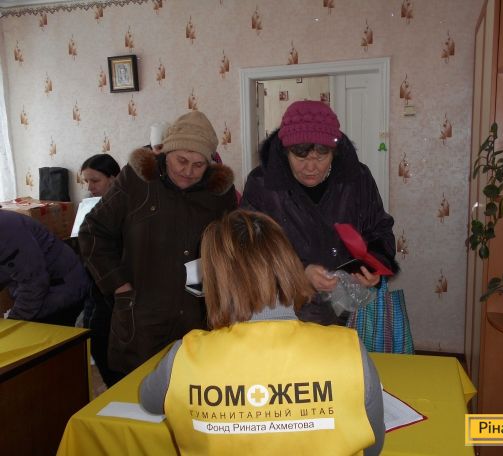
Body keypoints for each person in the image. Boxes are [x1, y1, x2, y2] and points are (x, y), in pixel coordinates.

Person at [140, 210, 384, 455]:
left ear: (214, 281)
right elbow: (372, 447)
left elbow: (149, 401)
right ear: (289, 265)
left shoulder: (186, 356)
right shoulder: (348, 351)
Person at [79, 110, 237, 377]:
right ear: (166, 152)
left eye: (198, 164)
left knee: (191, 386)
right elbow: (92, 231)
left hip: (197, 316)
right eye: (181, 161)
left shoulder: (219, 193)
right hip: (141, 315)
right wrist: (118, 285)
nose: (188, 171)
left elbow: (231, 247)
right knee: (136, 387)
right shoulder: (137, 180)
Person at [241, 100, 398, 325]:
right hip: (285, 308)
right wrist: (300, 272)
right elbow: (248, 247)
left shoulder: (358, 179)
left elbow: (380, 230)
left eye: (321, 157)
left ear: (334, 152)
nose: (311, 168)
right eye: (301, 157)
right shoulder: (261, 184)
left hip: (346, 308)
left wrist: (373, 267)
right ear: (286, 153)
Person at [0, 209, 89, 326]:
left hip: (59, 292)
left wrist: (13, 322)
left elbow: (34, 283)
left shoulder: (6, 231)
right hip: (33, 290)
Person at [79, 153, 122, 386]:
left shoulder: (126, 208)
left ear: (114, 178)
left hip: (115, 286)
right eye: (86, 181)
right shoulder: (91, 207)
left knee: (106, 341)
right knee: (94, 337)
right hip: (95, 286)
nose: (90, 187)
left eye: (95, 181)